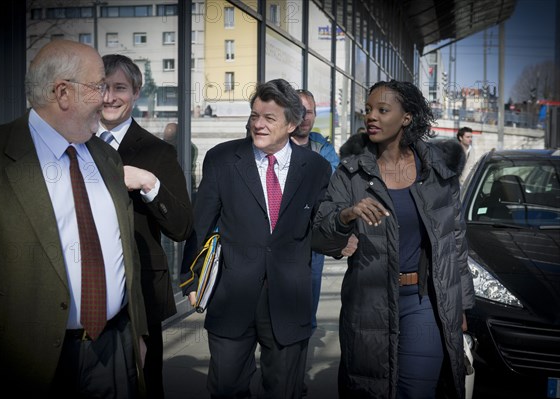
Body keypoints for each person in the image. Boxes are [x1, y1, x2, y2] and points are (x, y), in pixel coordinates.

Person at [0, 40, 148, 398]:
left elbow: (126, 252)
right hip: (24, 363)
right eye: (98, 86)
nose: (107, 98)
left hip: (114, 351)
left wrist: (137, 333)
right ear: (63, 93)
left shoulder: (107, 158)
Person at [312, 80, 475, 399]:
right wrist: (345, 216)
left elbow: (454, 242)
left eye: (382, 110)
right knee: (371, 390)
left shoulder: (437, 172)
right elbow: (320, 236)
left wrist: (462, 306)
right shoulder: (350, 174)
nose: (371, 116)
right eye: (368, 109)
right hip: (368, 302)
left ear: (407, 117)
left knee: (416, 391)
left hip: (423, 301)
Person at [180, 78, 332, 398]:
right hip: (232, 297)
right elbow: (201, 224)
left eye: (269, 118)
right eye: (254, 116)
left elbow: (320, 231)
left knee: (283, 391)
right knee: (226, 388)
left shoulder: (316, 168)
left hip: (289, 300)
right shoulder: (222, 159)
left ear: (291, 124)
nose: (258, 125)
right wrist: (191, 281)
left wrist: (342, 231)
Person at [98, 54, 194, 398]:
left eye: (119, 88)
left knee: (144, 382)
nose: (109, 97)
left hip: (139, 288)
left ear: (136, 92)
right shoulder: (76, 145)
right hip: (81, 288)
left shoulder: (158, 152)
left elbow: (182, 227)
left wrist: (149, 183)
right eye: (102, 87)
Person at [291, 89, 339, 332]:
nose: (305, 117)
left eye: (309, 112)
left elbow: (332, 181)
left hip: (312, 233)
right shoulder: (278, 142)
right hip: (282, 234)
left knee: (310, 290)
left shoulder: (322, 146)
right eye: (300, 111)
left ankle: (304, 333)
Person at [163, 122, 199, 192]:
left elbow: (185, 171)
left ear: (178, 138)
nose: (167, 143)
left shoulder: (190, 148)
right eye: (165, 140)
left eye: (170, 141)